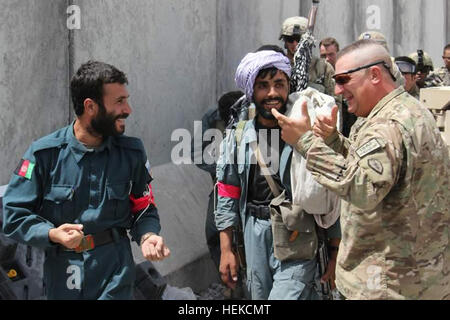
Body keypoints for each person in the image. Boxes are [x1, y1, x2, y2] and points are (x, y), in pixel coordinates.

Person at [272, 39, 450, 300]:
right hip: (418, 278)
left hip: (388, 284)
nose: (338, 89)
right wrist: (333, 140)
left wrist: (304, 141)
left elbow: (362, 187)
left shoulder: (387, 125)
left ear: (375, 74)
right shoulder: (407, 110)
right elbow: (382, 169)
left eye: (344, 79)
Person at [2, 61, 170, 300]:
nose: (128, 109)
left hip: (115, 270)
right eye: (119, 101)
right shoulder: (43, 155)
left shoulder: (132, 153)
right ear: (90, 106)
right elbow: (13, 214)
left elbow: (143, 207)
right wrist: (52, 233)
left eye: (126, 99)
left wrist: (148, 235)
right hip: (63, 272)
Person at [215, 49, 341, 300]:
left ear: (288, 87)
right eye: (263, 86)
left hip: (299, 234)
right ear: (252, 91)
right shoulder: (238, 137)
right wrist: (226, 249)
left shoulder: (308, 134)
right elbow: (228, 191)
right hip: (254, 235)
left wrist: (336, 252)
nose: (272, 93)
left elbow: (330, 193)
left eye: (279, 84)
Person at [191, 91, 244, 270]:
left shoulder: (256, 115)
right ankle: (228, 280)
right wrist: (222, 169)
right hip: (223, 183)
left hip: (252, 185)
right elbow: (196, 153)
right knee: (214, 232)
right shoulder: (212, 118)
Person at [279, 16, 335, 97]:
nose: (295, 44)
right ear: (284, 41)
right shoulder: (279, 66)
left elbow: (335, 101)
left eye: (299, 39)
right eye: (290, 39)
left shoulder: (323, 68)